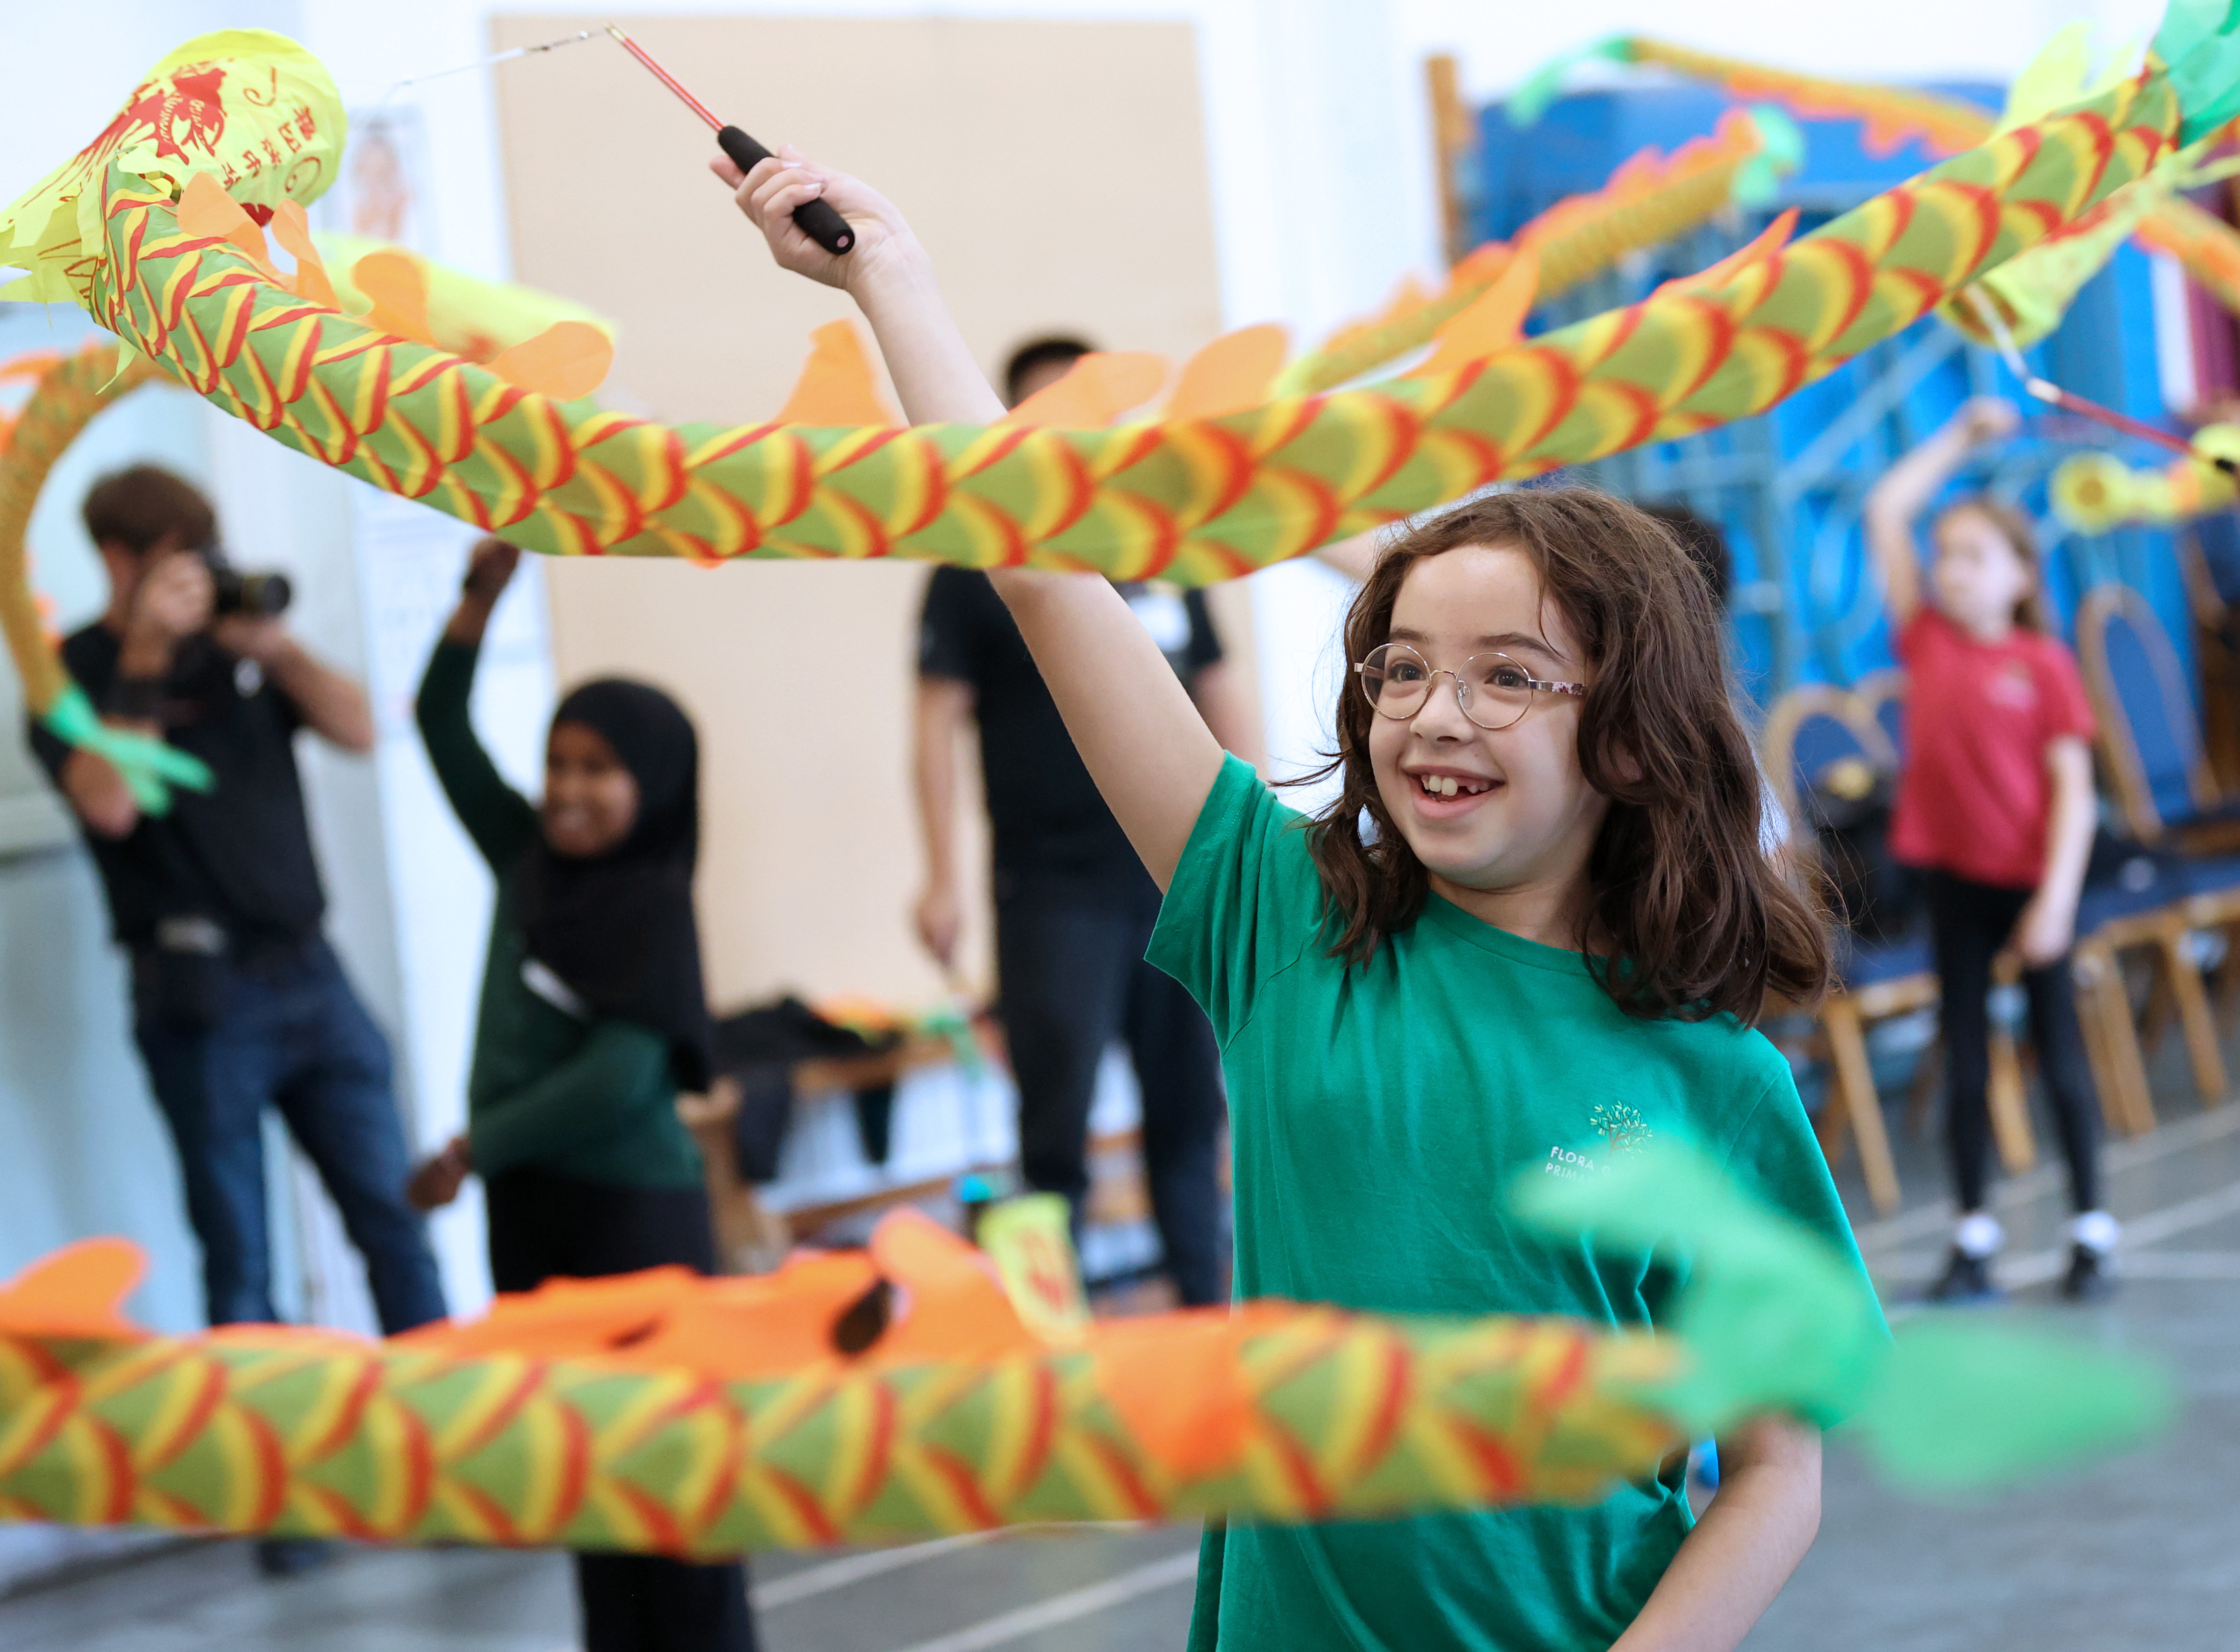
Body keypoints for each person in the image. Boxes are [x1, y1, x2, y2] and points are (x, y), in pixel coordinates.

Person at [716, 145, 1876, 1652]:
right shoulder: (1284, 924)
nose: (1436, 713)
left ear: (1635, 737)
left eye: (1508, 676)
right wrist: (894, 283)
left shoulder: (1713, 1082)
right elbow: (1043, 574)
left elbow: (1778, 1465)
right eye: (1402, 668)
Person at [28, 467, 446, 1575]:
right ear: (118, 561)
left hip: (313, 973)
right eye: (173, 559)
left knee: (393, 1222)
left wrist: (277, 649)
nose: (194, 580)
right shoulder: (73, 673)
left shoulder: (238, 649)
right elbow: (108, 802)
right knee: (244, 1265)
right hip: (200, 1001)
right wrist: (147, 656)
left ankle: (457, 1466)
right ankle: (284, 1508)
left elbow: (365, 728)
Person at [408, 537, 757, 1652]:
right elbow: (439, 725)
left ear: (653, 783)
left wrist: (476, 1146)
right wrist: (478, 602)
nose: (567, 790)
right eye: (557, 762)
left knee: (676, 1494)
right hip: (534, 1215)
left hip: (634, 1222)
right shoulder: (527, 859)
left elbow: (620, 1077)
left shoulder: (653, 904)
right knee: (587, 1484)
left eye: (598, 769)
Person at [910, 337, 1256, 1308]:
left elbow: (1222, 691)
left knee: (1190, 1119)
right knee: (1055, 1127)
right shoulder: (975, 559)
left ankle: (1210, 1327)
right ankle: (1054, 1349)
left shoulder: (1160, 547)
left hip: (1178, 880)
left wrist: (1262, 841)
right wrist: (939, 877)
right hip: (1053, 890)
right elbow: (934, 726)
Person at [1866, 398, 2115, 1303]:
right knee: (1966, 1060)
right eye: (1944, 556)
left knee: (2060, 1054)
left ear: (2019, 575)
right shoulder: (1924, 639)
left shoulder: (2045, 664)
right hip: (1954, 882)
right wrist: (1958, 438)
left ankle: (2091, 1232)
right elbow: (1886, 510)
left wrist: (2056, 902)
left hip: (2035, 885)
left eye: (1974, 556)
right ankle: (1973, 1239)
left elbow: (2076, 794)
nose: (1951, 571)